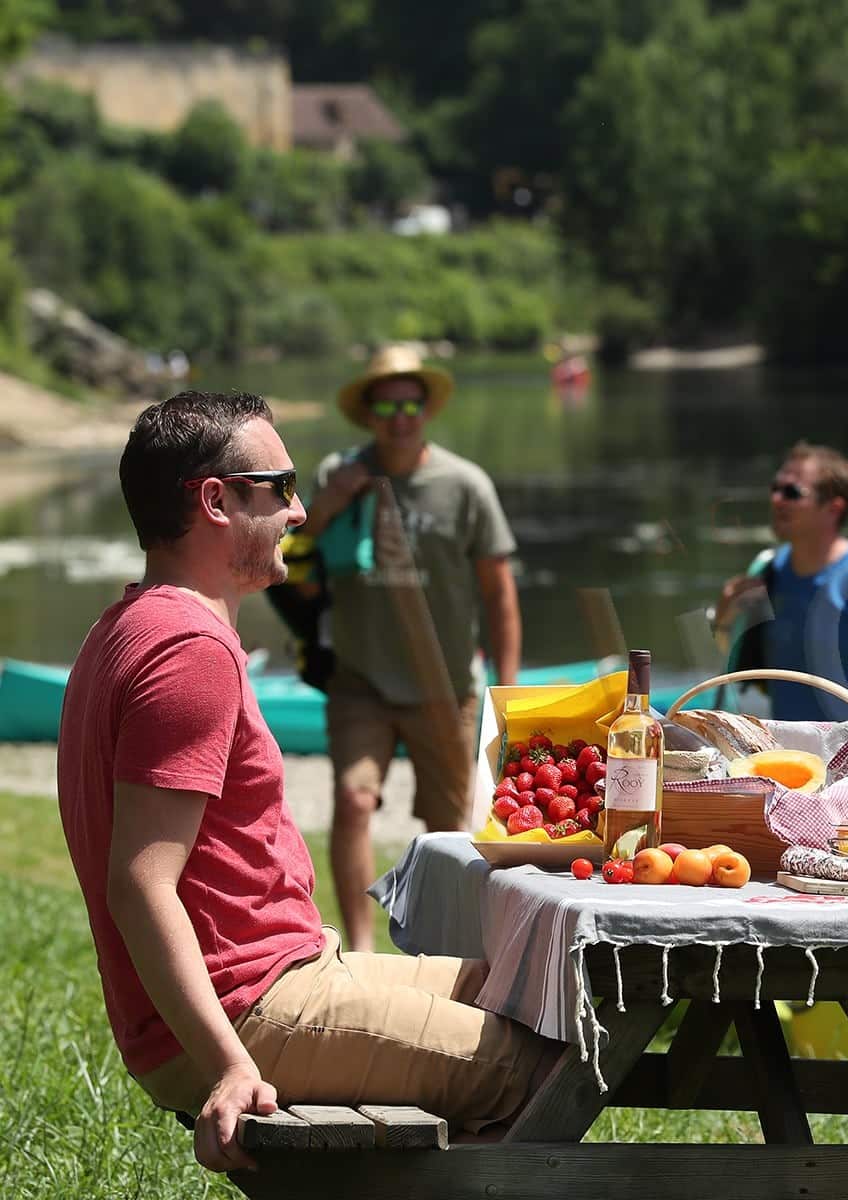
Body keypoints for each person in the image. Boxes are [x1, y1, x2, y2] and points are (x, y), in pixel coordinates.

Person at [57, 391, 556, 1174]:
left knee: (526, 988)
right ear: (215, 501)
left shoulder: (129, 622)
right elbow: (139, 883)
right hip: (246, 1011)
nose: (298, 513)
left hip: (284, 971)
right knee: (542, 1067)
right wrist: (227, 1064)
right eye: (280, 487)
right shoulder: (189, 649)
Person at [303, 346, 521, 952]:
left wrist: (508, 688)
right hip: (359, 678)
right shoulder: (337, 475)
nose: (399, 416)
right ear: (368, 413)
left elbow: (499, 593)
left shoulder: (464, 485)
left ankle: (441, 949)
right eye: (386, 405)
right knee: (352, 801)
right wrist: (332, 501)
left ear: (426, 410)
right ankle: (360, 948)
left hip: (444, 683)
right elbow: (294, 552)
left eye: (410, 404)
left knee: (447, 828)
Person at [712, 441, 848, 721]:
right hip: (782, 757)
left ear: (834, 507)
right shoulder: (769, 571)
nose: (777, 499)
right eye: (775, 489)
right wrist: (726, 617)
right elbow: (733, 662)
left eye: (791, 492)